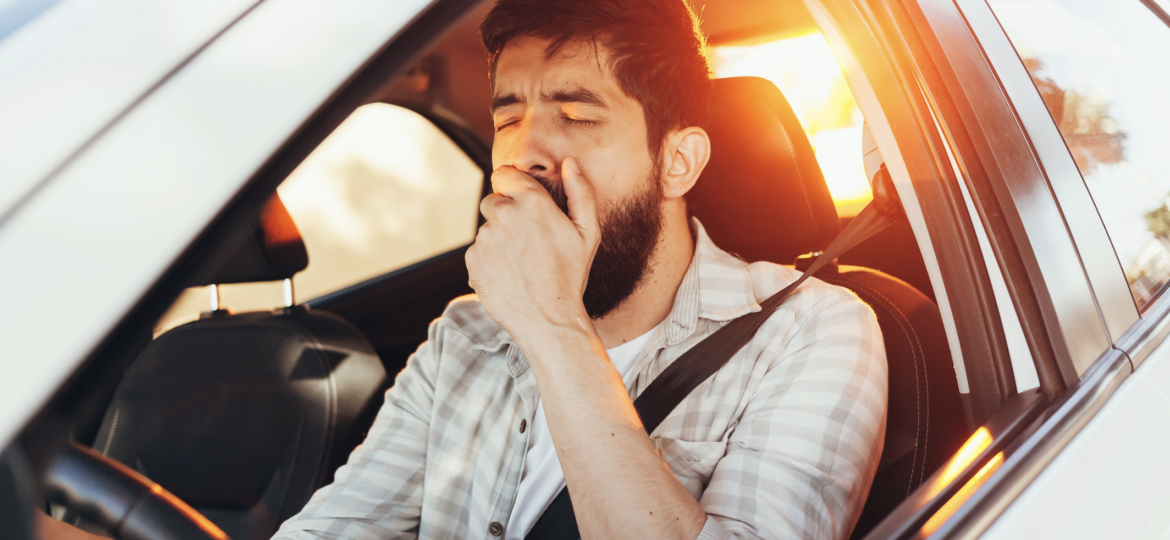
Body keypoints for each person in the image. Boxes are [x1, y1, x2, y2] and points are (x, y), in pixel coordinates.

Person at [38, 0, 887, 538]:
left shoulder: (815, 332)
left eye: (577, 114)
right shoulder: (469, 335)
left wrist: (554, 327)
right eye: (510, 115)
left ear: (678, 162)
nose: (526, 153)